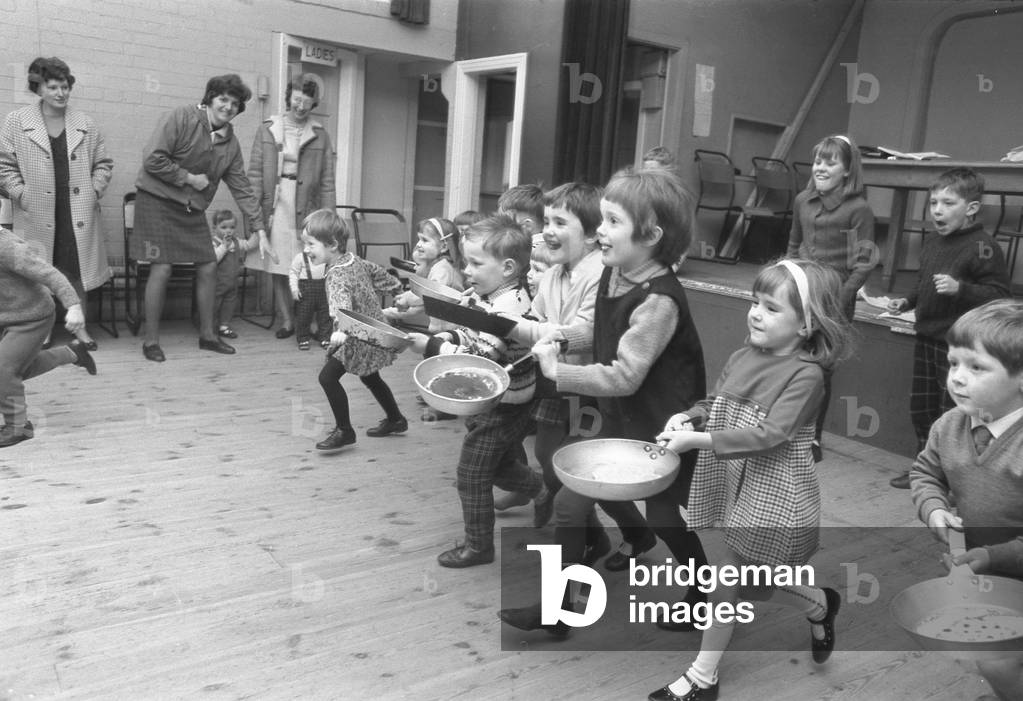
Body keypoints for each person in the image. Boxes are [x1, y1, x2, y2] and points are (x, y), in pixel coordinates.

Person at [498, 167, 708, 635]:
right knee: (570, 506)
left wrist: (559, 371)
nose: (600, 231)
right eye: (603, 219)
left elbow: (626, 376)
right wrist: (561, 338)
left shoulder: (660, 300)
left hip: (663, 427)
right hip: (621, 417)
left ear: (651, 236)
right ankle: (560, 610)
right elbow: (599, 331)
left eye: (613, 222)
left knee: (665, 518)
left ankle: (702, 591)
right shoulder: (616, 273)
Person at [648, 258, 853, 701]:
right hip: (737, 480)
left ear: (806, 324)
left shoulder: (807, 375)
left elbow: (770, 436)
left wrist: (697, 440)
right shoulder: (743, 356)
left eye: (771, 308)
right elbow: (714, 403)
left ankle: (702, 678)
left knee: (728, 580)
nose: (756, 313)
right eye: (754, 302)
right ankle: (820, 603)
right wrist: (689, 417)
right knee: (752, 585)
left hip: (774, 488)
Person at [407, 214, 551, 568]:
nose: (466, 270)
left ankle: (479, 546)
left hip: (504, 404)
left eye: (475, 263)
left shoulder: (506, 308)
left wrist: (431, 346)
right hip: (494, 400)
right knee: (499, 467)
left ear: (507, 268)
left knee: (471, 475)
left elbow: (483, 359)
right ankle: (543, 490)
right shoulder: (493, 296)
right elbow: (473, 336)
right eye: (466, 262)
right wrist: (447, 335)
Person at [909, 299, 1023, 701]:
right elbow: (925, 473)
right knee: (992, 654)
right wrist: (934, 508)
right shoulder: (948, 426)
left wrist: (992, 556)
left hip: (1006, 564)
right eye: (953, 363)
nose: (957, 377)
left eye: (976, 367)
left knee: (998, 662)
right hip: (985, 571)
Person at [887, 167, 1011, 488]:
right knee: (923, 408)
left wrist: (961, 289)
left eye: (948, 203)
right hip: (926, 337)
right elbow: (924, 283)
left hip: (959, 348)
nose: (937, 210)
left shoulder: (983, 246)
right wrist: (907, 301)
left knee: (953, 413)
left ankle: (957, 479)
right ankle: (927, 470)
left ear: (971, 208)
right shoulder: (932, 242)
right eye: (933, 203)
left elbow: (1000, 295)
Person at [133, 74, 267, 362]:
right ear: (210, 98)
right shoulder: (181, 117)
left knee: (208, 264)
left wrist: (259, 227)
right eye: (223, 99)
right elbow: (152, 159)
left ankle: (208, 336)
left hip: (189, 208)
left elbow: (242, 187)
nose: (228, 107)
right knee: (162, 268)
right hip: (155, 200)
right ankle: (151, 341)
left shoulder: (230, 144)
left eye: (235, 103)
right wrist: (190, 178)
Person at [0, 57, 113, 350]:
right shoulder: (16, 121)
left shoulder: (85, 123)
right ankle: (43, 330)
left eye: (65, 86)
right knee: (39, 270)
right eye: (52, 87)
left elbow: (103, 163)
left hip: (76, 211)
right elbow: (4, 165)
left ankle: (81, 330)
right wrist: (21, 193)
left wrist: (94, 190)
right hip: (36, 210)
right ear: (38, 88)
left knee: (76, 269)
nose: (60, 93)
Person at [785, 134, 875, 461]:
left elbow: (864, 261)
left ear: (847, 170)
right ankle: (785, 429)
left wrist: (843, 297)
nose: (821, 167)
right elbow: (793, 244)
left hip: (835, 298)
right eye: (818, 161)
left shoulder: (858, 209)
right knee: (790, 360)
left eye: (831, 162)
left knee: (821, 369)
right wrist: (787, 279)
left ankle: (813, 438)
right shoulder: (802, 201)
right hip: (801, 290)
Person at [306, 209, 407, 451]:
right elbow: (378, 272)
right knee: (370, 376)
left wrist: (341, 330)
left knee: (327, 378)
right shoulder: (353, 260)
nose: (306, 250)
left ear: (332, 244)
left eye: (311, 244)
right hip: (371, 332)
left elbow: (341, 305)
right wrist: (398, 290)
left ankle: (345, 431)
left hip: (356, 334)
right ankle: (396, 419)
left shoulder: (337, 274)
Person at [245, 74, 336, 341]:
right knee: (280, 265)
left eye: (307, 102)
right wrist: (253, 213)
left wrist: (328, 218)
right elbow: (255, 174)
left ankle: (313, 322)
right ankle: (287, 320)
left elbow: (327, 181)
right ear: (289, 98)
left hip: (307, 204)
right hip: (276, 203)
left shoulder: (321, 134)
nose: (300, 106)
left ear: (313, 104)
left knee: (311, 266)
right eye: (297, 100)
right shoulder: (268, 128)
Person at [0, 226, 96, 448]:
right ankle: (72, 353)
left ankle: (19, 426)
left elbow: (50, 274)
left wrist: (74, 306)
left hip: (32, 317)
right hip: (6, 316)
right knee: (15, 369)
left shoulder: (6, 246)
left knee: (3, 370)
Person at [382, 217, 463, 330]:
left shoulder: (442, 270)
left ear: (444, 246)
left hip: (454, 332)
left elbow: (428, 297)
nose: (419, 244)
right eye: (419, 239)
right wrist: (387, 311)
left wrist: (406, 299)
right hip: (444, 330)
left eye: (425, 240)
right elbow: (423, 300)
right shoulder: (437, 266)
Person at [209, 209, 253, 340]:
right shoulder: (214, 243)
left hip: (232, 283)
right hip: (217, 283)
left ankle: (224, 326)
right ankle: (210, 326)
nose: (228, 231)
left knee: (229, 305)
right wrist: (224, 246)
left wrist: (260, 232)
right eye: (223, 227)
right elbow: (214, 259)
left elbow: (249, 245)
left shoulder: (236, 241)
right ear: (214, 228)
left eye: (232, 227)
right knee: (214, 305)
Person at [289, 247, 329, 351]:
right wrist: (294, 289)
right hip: (306, 292)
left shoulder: (326, 256)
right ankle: (303, 339)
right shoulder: (300, 257)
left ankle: (325, 338)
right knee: (303, 316)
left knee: (325, 316)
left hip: (323, 291)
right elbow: (293, 273)